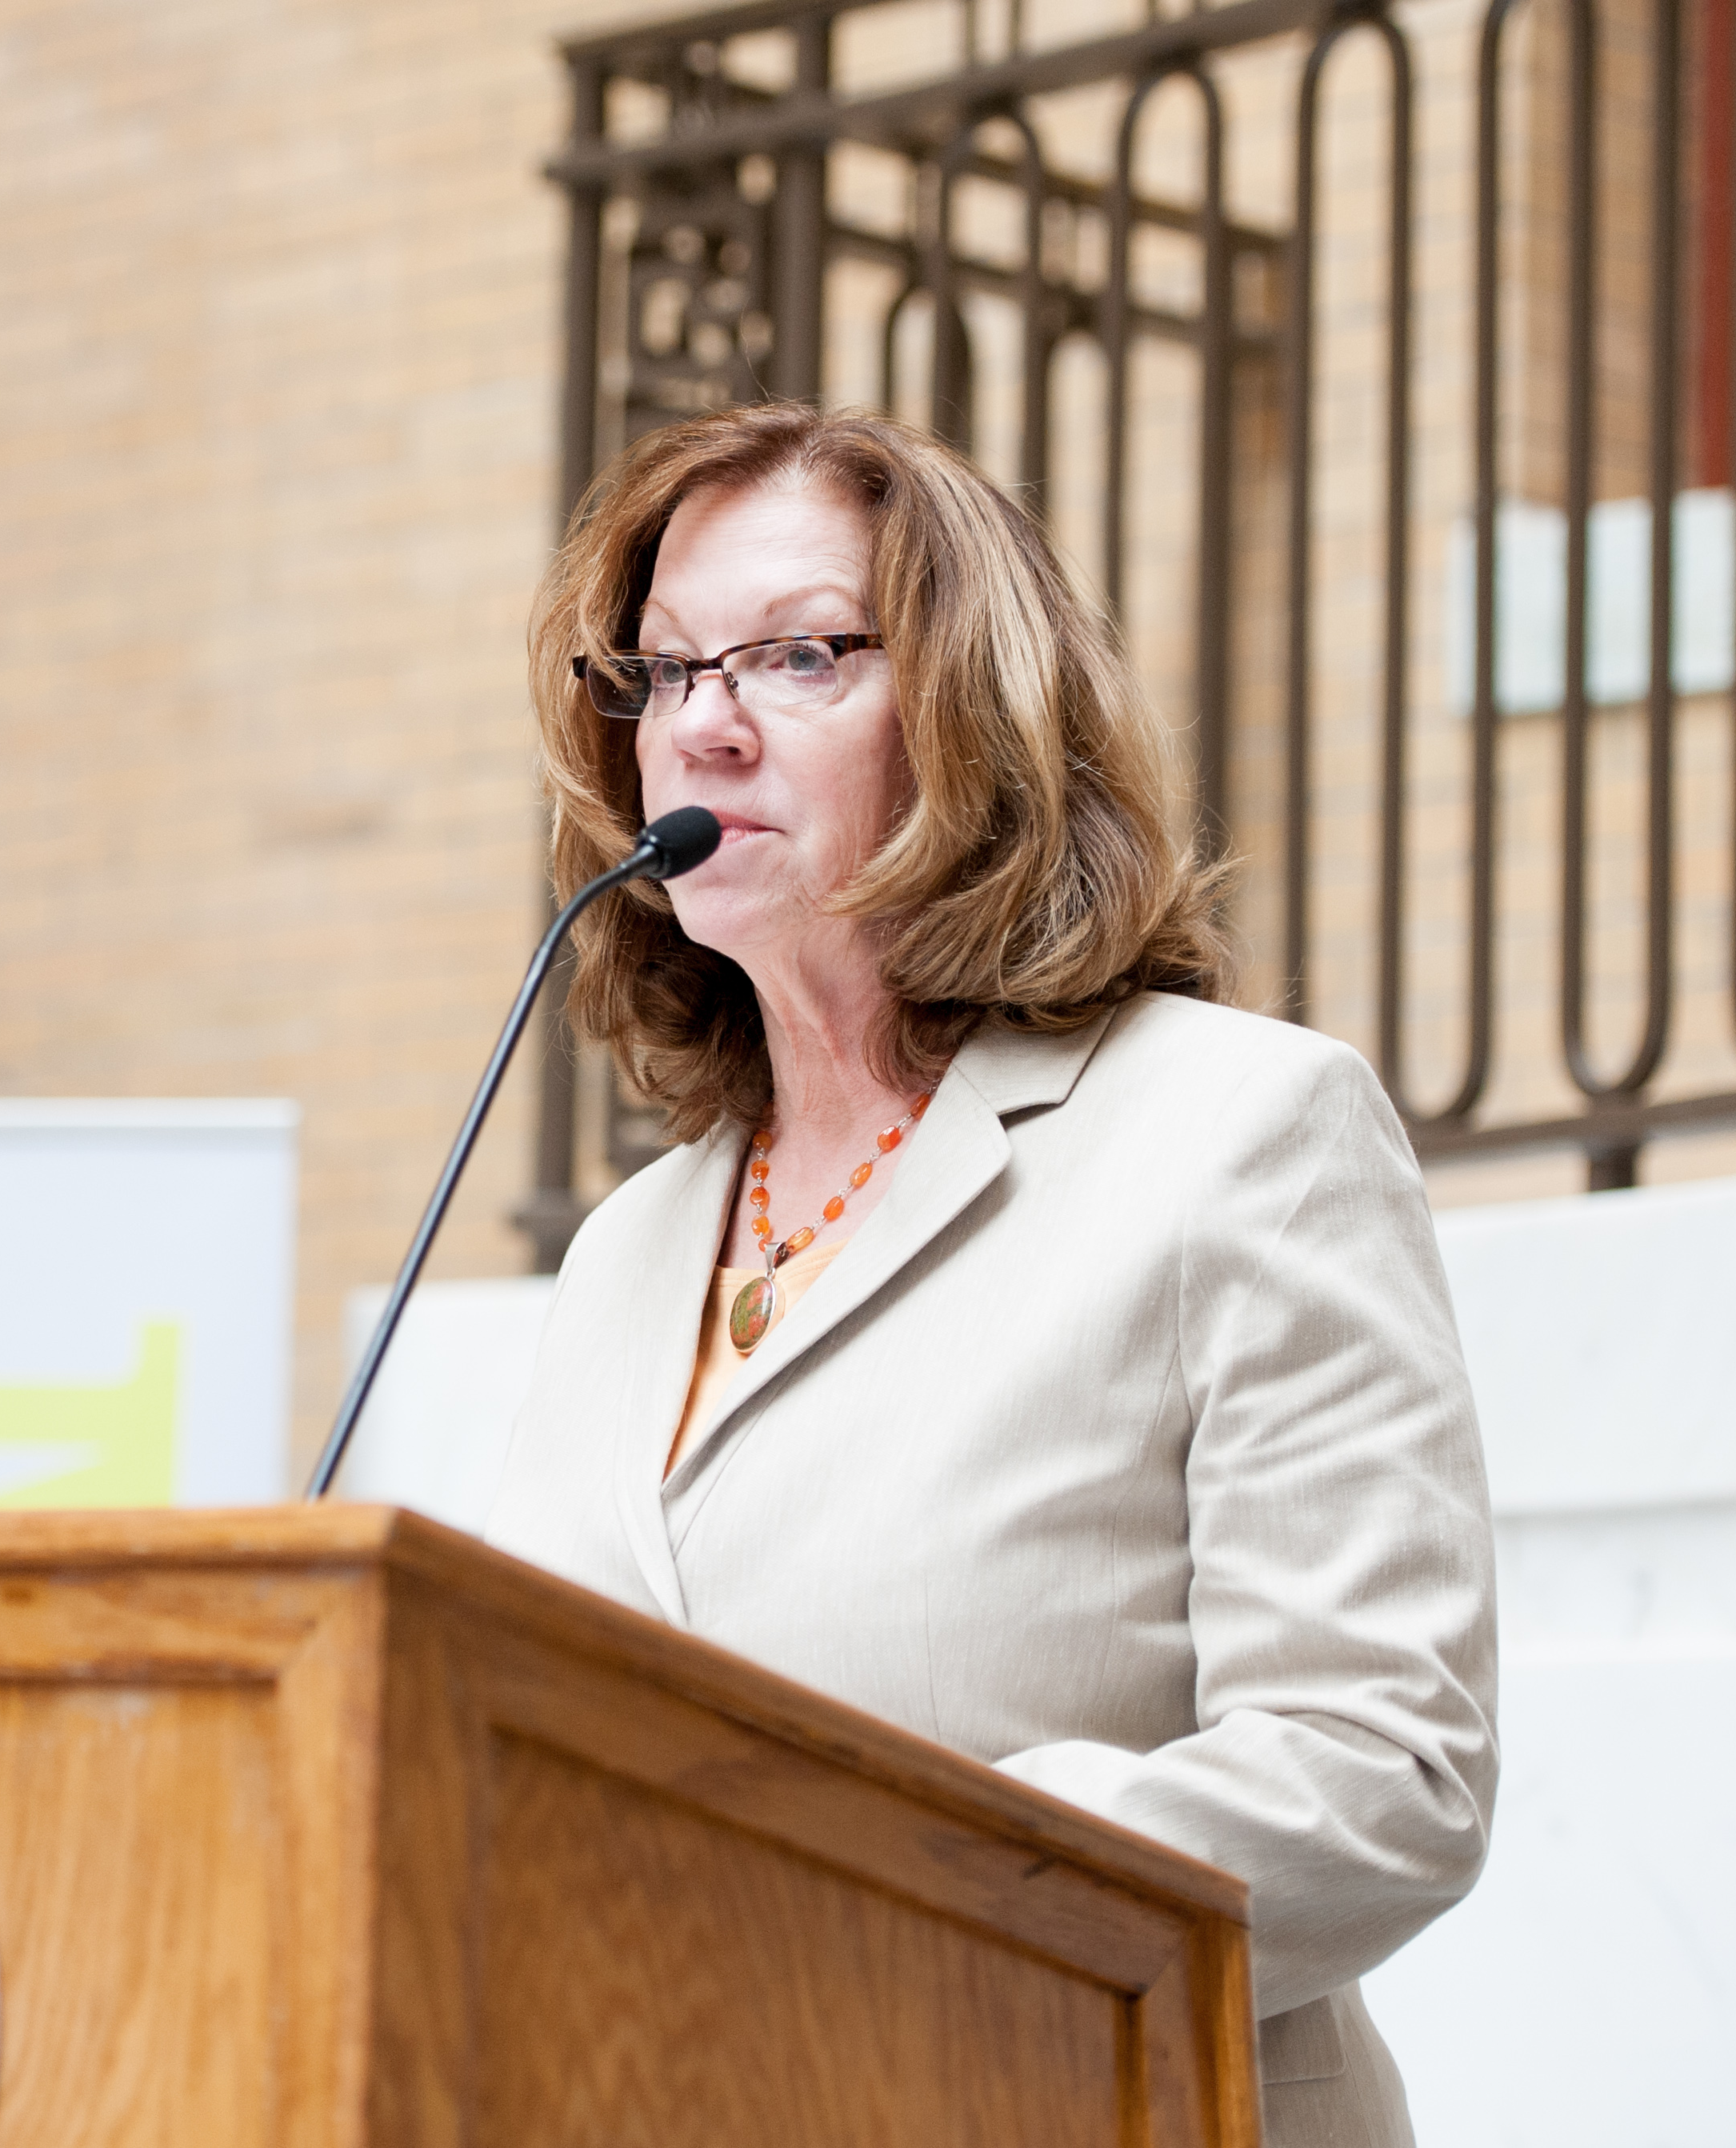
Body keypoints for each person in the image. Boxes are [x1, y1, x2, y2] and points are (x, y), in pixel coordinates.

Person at [485, 402, 1497, 2148]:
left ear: (972, 710)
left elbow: (1380, 1769)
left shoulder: (1238, 1131)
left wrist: (877, 1901)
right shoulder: (623, 1252)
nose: (703, 723)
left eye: (796, 653)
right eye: (660, 669)